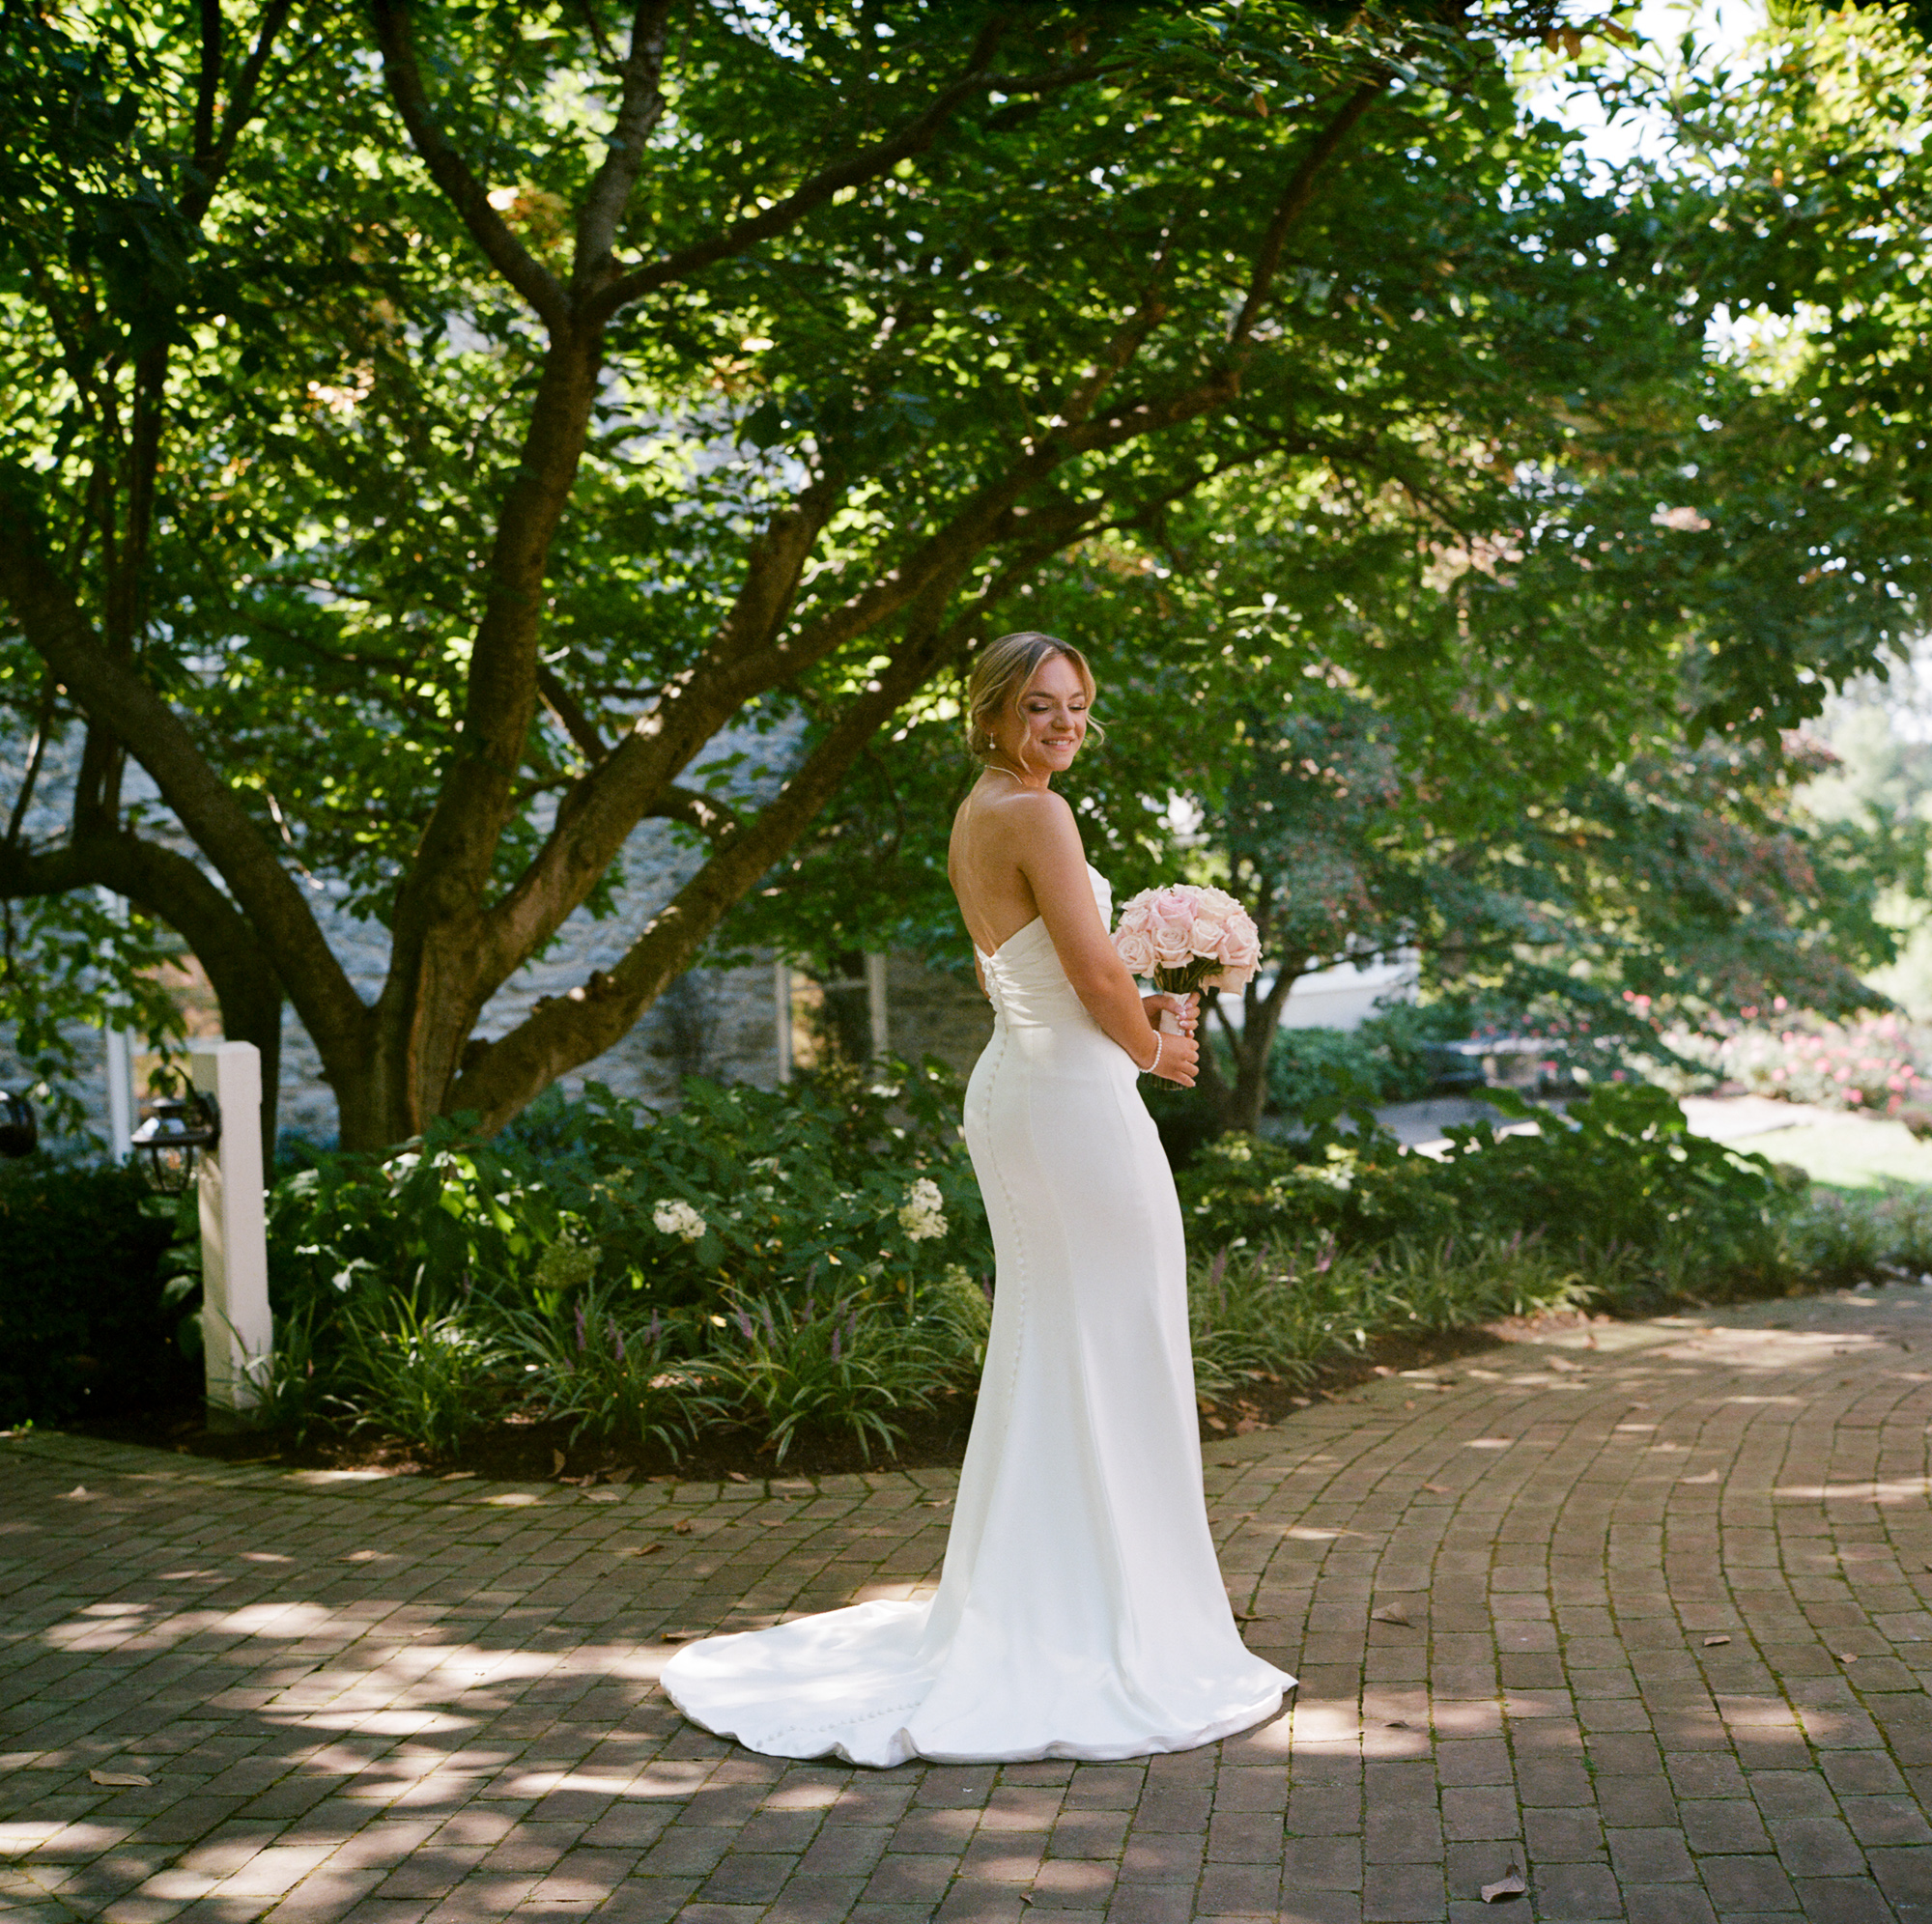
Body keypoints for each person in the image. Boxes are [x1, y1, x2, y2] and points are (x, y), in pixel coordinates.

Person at [662, 631, 1292, 1765]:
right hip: (1068, 1100)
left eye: (1078, 704)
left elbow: (1045, 966)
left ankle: (1059, 1597)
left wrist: (1148, 1004)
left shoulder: (981, 806)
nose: (1062, 724)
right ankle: (1105, 1619)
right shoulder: (1037, 814)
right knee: (1114, 1338)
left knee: (1065, 1342)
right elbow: (1094, 974)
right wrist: (1152, 1045)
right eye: (1039, 705)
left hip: (1027, 1086)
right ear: (994, 712)